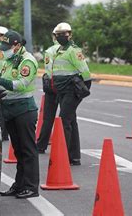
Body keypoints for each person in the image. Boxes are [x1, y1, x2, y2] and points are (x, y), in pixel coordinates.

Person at [0, 30, 39, 198]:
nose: (5, 49)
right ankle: (19, 184)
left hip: (24, 109)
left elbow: (21, 84)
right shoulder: (9, 60)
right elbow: (4, 79)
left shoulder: (27, 61)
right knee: (18, 151)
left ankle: (31, 187)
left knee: (28, 150)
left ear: (17, 45)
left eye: (8, 46)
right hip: (9, 108)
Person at [51, 22, 91, 166]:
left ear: (70, 35)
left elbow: (85, 72)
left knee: (63, 121)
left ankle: (63, 155)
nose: (61, 36)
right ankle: (74, 157)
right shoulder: (59, 50)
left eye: (64, 34)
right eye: (58, 34)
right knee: (71, 121)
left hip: (71, 90)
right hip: (61, 89)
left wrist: (82, 90)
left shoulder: (74, 51)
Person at [36, 26, 61, 154]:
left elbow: (49, 70)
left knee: (48, 118)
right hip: (67, 88)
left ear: (53, 37)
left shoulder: (50, 51)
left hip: (53, 87)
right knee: (69, 120)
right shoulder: (73, 50)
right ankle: (70, 150)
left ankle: (41, 145)